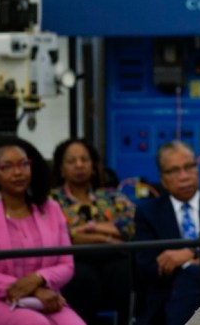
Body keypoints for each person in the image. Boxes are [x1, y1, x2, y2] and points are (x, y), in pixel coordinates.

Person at [0, 137, 85, 325]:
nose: (18, 172)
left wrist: (38, 279)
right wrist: (33, 290)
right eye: (7, 167)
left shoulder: (51, 208)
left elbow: (66, 265)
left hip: (45, 299)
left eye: (24, 164)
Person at [133, 140, 200, 325]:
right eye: (174, 171)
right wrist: (193, 265)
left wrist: (191, 254)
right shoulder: (148, 212)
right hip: (169, 298)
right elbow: (148, 266)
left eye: (189, 167)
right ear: (162, 178)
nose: (184, 176)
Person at [50, 139, 136, 325]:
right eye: (71, 161)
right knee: (82, 279)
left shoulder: (113, 197)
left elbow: (129, 227)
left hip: (114, 258)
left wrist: (87, 229)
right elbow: (59, 234)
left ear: (94, 165)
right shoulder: (52, 200)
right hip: (74, 260)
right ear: (61, 168)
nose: (79, 165)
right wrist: (108, 237)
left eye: (84, 159)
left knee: (125, 272)